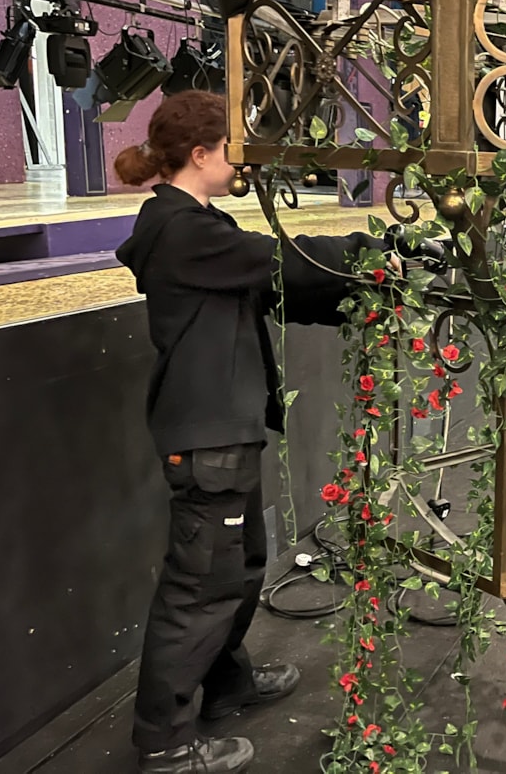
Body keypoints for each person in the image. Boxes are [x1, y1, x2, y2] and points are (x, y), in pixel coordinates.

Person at [114, 90, 385, 774]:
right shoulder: (184, 230)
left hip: (222, 432)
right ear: (201, 154)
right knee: (200, 587)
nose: (243, 160)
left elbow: (278, 291)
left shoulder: (201, 226)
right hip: (208, 437)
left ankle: (228, 686)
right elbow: (283, 262)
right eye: (233, 147)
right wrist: (378, 251)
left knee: (235, 571)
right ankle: (165, 743)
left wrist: (368, 293)